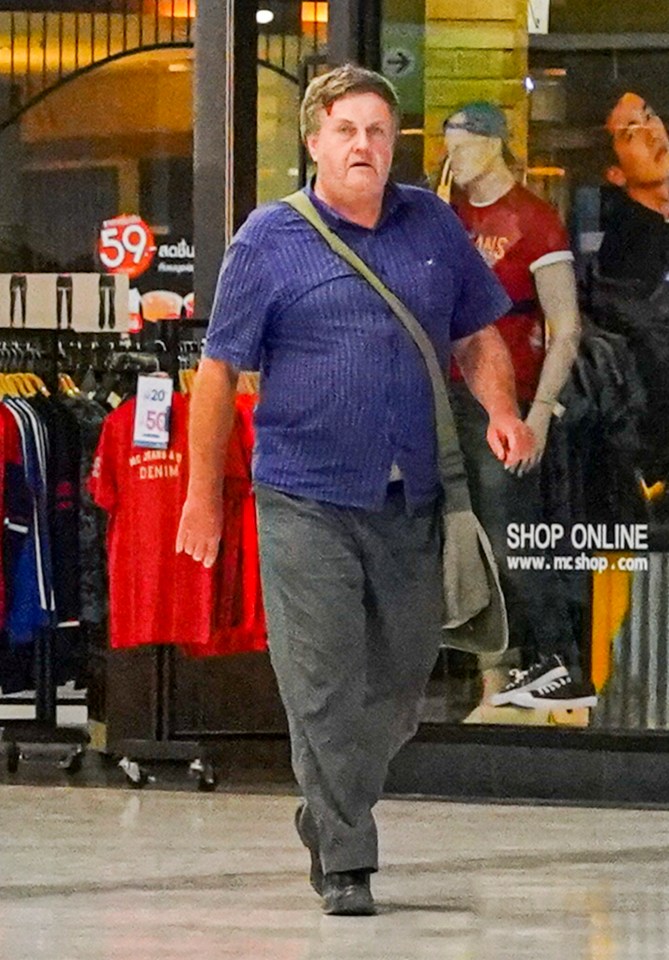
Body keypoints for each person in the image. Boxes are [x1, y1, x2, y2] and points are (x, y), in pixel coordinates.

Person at [176, 65, 534, 916]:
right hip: (303, 498)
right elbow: (220, 373)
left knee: (405, 682)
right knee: (324, 682)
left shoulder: (431, 225)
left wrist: (503, 410)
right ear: (314, 143)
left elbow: (477, 336)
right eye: (346, 131)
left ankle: (325, 807)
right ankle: (346, 859)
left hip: (408, 497)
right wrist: (203, 496)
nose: (364, 146)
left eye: (378, 131)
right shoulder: (270, 238)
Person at [443, 102, 597, 713]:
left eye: (462, 145)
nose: (452, 158)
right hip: (453, 389)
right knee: (464, 532)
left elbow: (566, 328)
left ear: (493, 145)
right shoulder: (448, 214)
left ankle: (559, 657)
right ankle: (501, 662)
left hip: (508, 398)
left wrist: (539, 413)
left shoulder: (534, 221)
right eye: (448, 147)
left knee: (511, 533)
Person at [592, 92, 669, 488]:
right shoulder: (623, 253)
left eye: (650, 117)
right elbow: (649, 353)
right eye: (630, 133)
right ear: (616, 174)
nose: (652, 133)